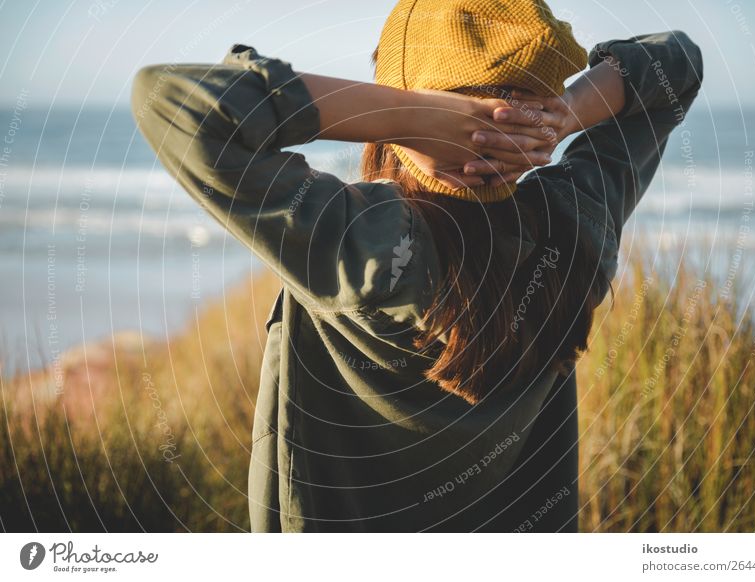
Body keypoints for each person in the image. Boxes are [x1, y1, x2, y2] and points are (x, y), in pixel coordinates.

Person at [132, 0, 703, 532]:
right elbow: (676, 64)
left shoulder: (366, 240)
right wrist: (563, 115)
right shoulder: (574, 223)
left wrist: (411, 115)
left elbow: (170, 99)